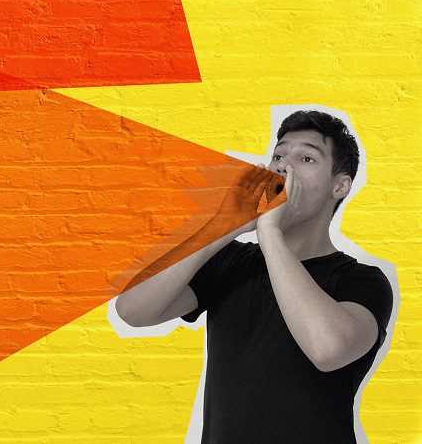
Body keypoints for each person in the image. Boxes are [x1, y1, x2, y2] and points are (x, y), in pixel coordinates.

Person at [114, 110, 394, 444]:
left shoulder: (362, 280)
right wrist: (223, 225)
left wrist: (270, 229)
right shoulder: (230, 263)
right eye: (278, 155)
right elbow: (133, 311)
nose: (283, 167)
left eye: (306, 158)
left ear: (340, 186)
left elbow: (327, 349)